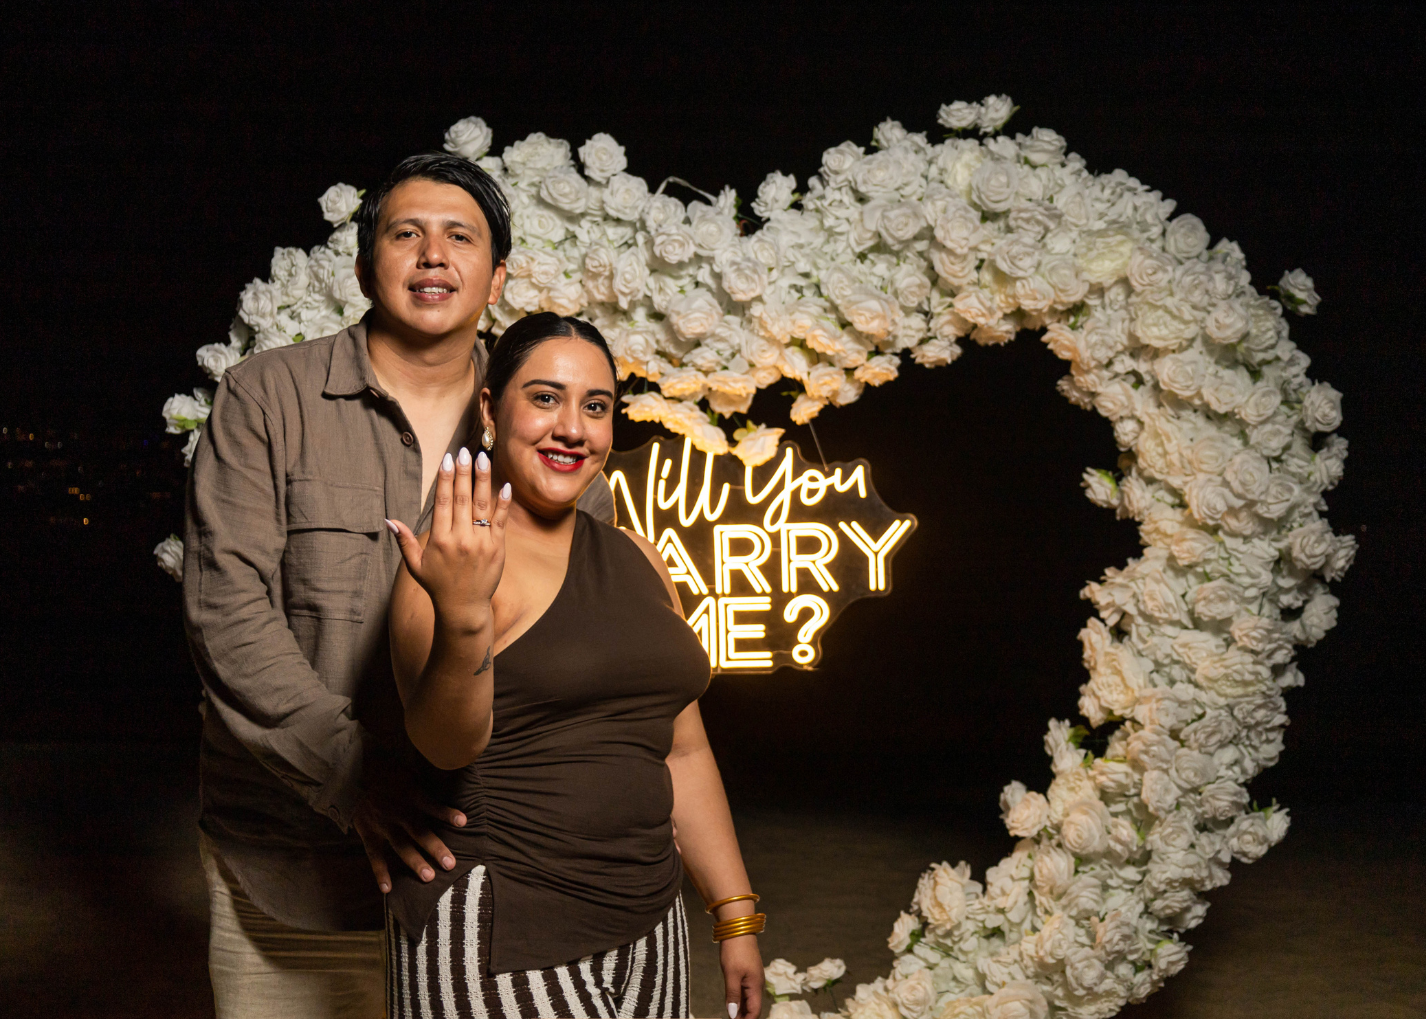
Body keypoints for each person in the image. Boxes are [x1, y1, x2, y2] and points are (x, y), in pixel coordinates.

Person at [184, 154, 614, 1018]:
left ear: (497, 278)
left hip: (488, 873)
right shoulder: (266, 398)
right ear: (362, 264)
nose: (432, 255)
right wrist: (355, 779)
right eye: (405, 233)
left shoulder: (547, 421)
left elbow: (569, 638)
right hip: (291, 859)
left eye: (461, 237)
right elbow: (225, 614)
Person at [384, 312, 765, 1019]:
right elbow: (443, 744)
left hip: (651, 917)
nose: (573, 428)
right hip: (503, 914)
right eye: (545, 397)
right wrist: (465, 613)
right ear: (493, 409)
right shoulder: (448, 562)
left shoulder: (638, 555)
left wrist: (735, 913)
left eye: (595, 406)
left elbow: (681, 747)